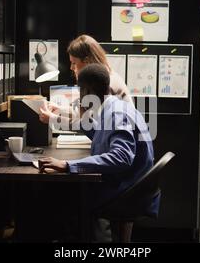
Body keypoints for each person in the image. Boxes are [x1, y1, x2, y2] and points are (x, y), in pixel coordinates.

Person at [38, 64, 157, 242]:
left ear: (86, 91)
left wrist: (67, 165)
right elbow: (97, 130)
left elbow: (121, 157)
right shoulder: (113, 107)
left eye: (79, 89)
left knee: (61, 198)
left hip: (125, 190)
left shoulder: (116, 114)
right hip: (128, 182)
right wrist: (59, 119)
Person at [39, 34, 133, 128]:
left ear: (87, 61)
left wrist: (54, 119)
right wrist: (60, 110)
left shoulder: (105, 83)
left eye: (74, 63)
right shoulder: (102, 77)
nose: (71, 68)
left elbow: (88, 125)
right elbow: (88, 114)